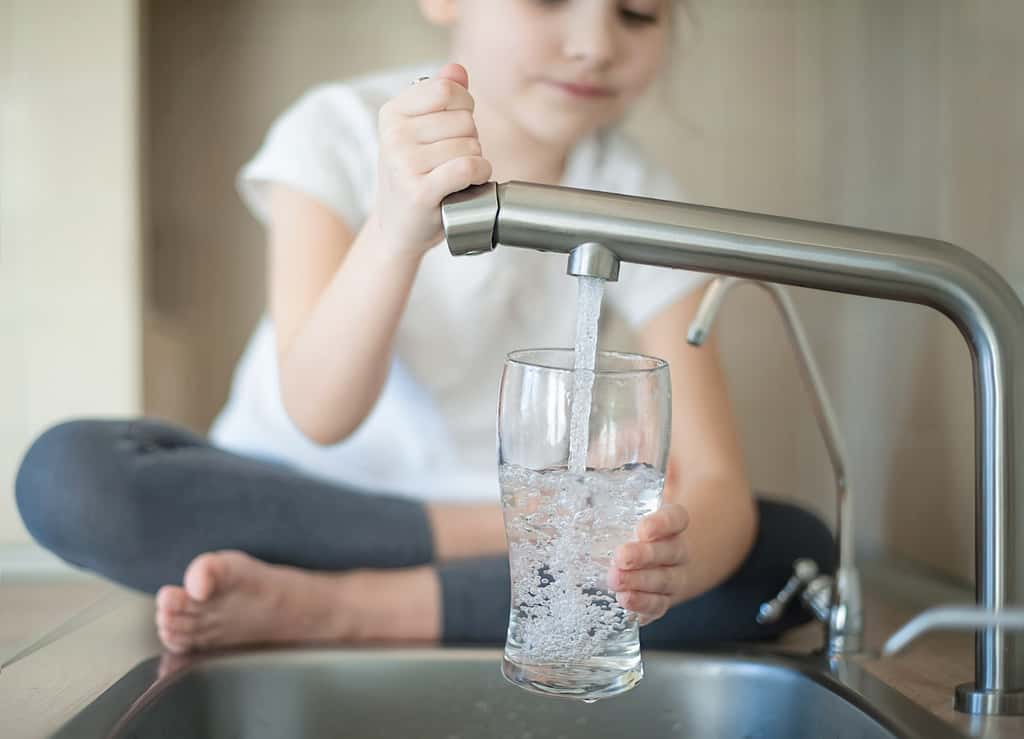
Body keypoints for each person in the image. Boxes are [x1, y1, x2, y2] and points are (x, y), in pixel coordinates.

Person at [15, 0, 833, 654]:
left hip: (516, 538)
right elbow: (319, 412)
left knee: (793, 554)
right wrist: (397, 228)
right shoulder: (335, 127)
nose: (594, 42)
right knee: (71, 474)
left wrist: (661, 562)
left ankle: (338, 609)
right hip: (294, 507)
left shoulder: (642, 197)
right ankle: (437, 577)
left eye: (638, 13)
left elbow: (716, 484)